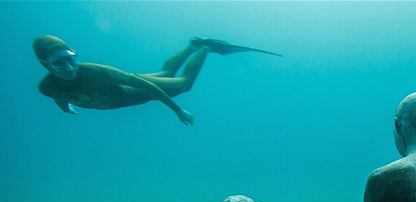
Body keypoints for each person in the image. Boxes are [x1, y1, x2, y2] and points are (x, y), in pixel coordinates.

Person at [33, 35, 280, 125]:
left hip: (132, 89)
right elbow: (58, 95)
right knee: (165, 73)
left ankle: (206, 48)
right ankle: (193, 45)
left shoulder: (97, 72)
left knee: (183, 84)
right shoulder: (46, 88)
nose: (68, 67)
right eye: (59, 63)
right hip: (122, 93)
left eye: (71, 59)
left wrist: (177, 110)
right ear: (46, 65)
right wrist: (66, 108)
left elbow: (144, 85)